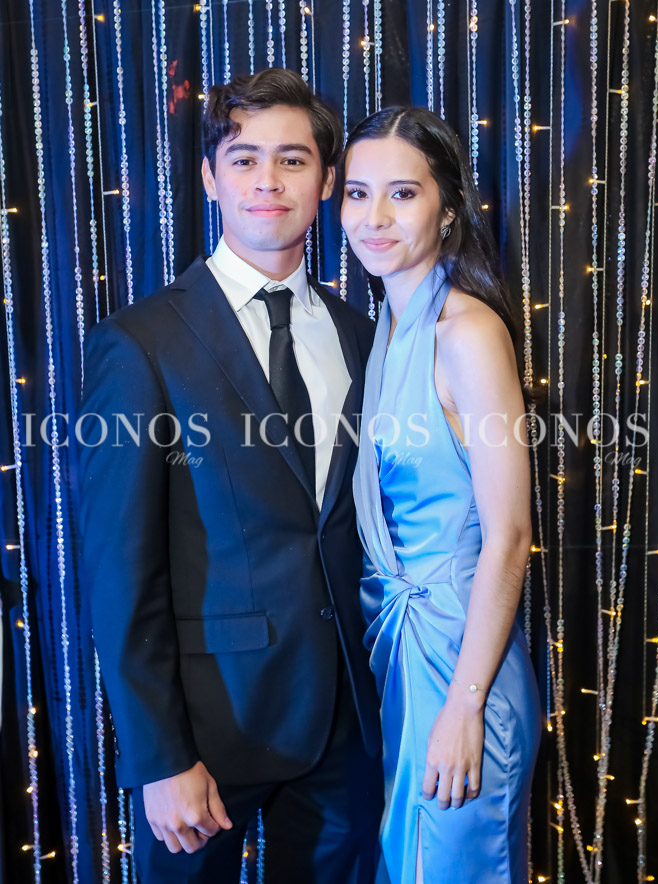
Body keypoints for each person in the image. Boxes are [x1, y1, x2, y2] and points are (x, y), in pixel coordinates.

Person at [77, 67, 383, 884]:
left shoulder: (362, 335)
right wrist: (159, 757)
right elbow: (118, 569)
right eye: (243, 159)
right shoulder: (140, 344)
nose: (267, 181)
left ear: (326, 181)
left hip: (346, 730)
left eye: (292, 159)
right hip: (206, 735)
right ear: (211, 179)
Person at [340, 106, 542, 883]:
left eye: (402, 193)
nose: (374, 218)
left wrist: (463, 705)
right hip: (402, 659)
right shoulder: (386, 332)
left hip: (462, 666)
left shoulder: (467, 333)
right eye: (357, 194)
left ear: (447, 210)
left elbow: (510, 536)